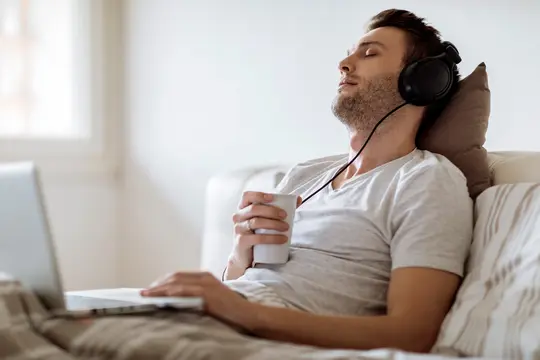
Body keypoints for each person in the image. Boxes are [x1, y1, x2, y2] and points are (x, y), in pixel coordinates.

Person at [141, 9, 473, 353]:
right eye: (350, 52)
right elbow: (244, 284)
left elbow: (413, 334)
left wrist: (244, 313)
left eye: (369, 53)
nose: (344, 63)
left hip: (252, 338)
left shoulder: (426, 180)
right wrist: (242, 252)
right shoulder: (305, 175)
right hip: (211, 319)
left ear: (421, 82)